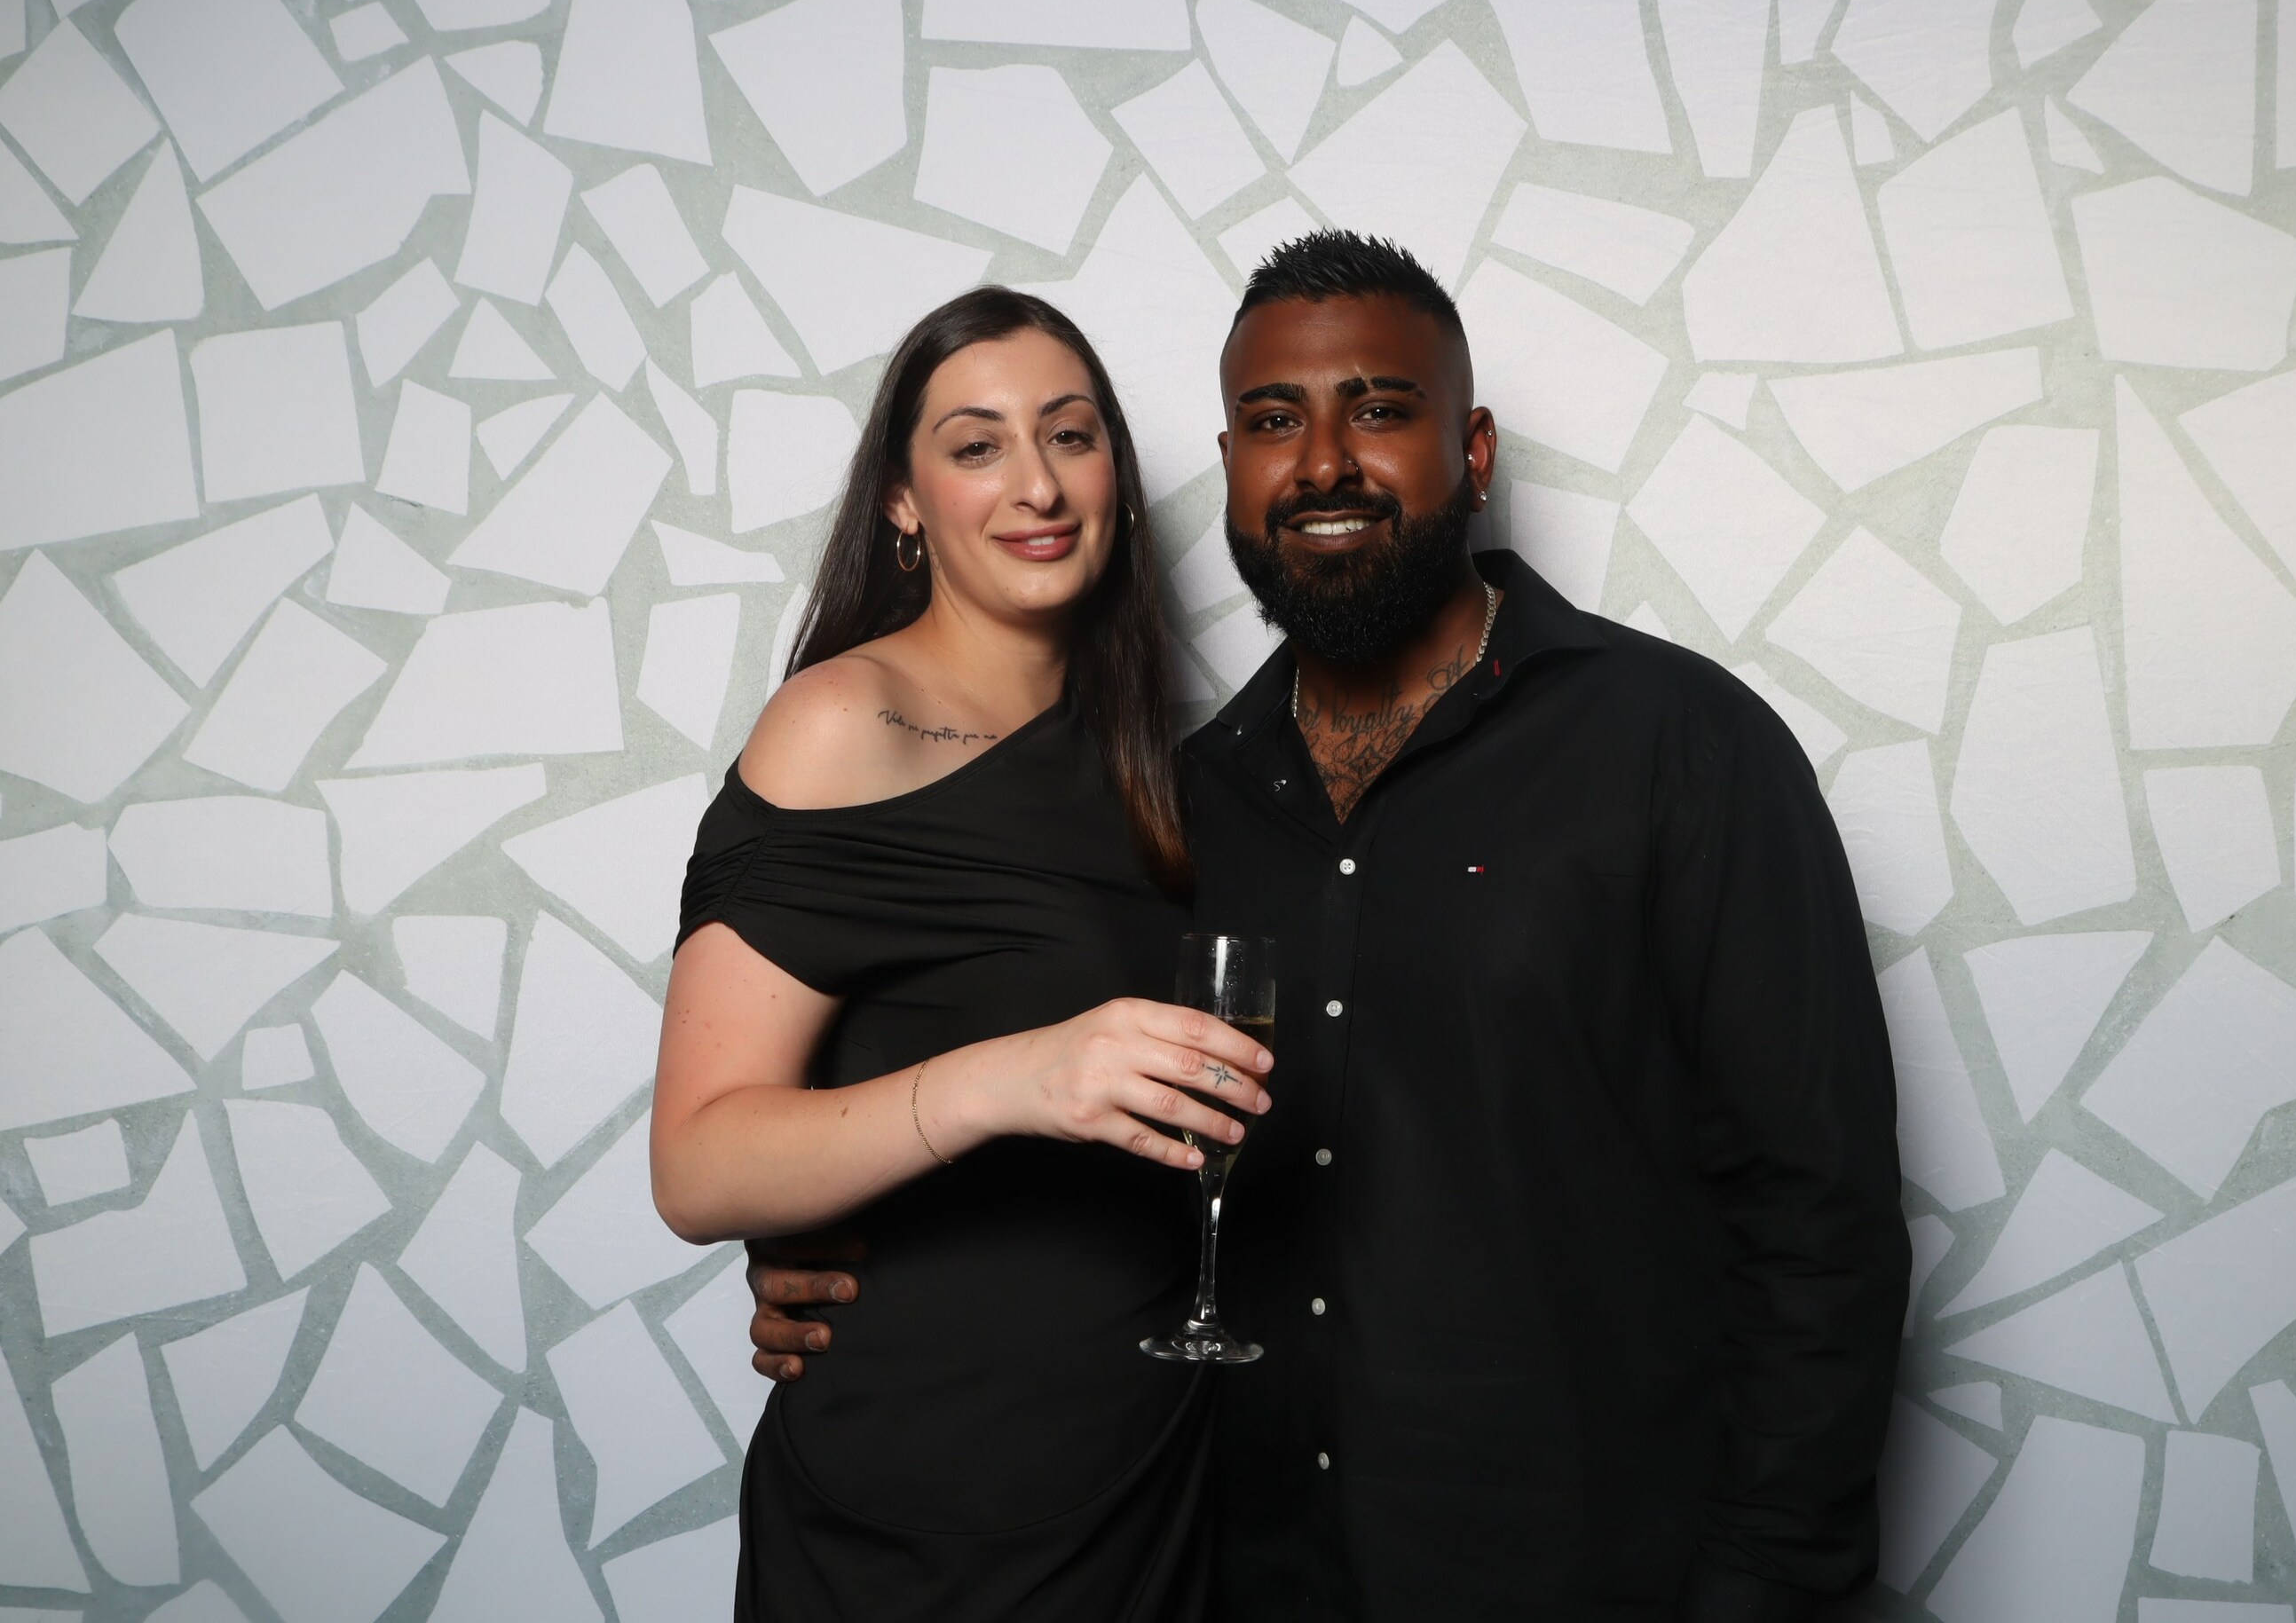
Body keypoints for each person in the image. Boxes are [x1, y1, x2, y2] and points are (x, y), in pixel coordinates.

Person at [746, 233, 1911, 1620]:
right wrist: (841, 1245)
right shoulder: (1176, 810)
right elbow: (1035, 1088)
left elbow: (1818, 1221)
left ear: (1473, 451)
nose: (1322, 464)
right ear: (1231, 467)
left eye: (1380, 409)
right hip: (1236, 1579)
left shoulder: (1680, 747)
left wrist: (1765, 1591)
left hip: (1589, 1576)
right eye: (1271, 422)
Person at [651, 286, 1274, 1622]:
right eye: (977, 445)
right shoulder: (843, 723)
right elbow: (698, 1166)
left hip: (1151, 1478)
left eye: (1071, 435)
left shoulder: (1162, 771)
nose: (1037, 484)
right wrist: (1011, 1080)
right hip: (926, 1503)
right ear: (902, 499)